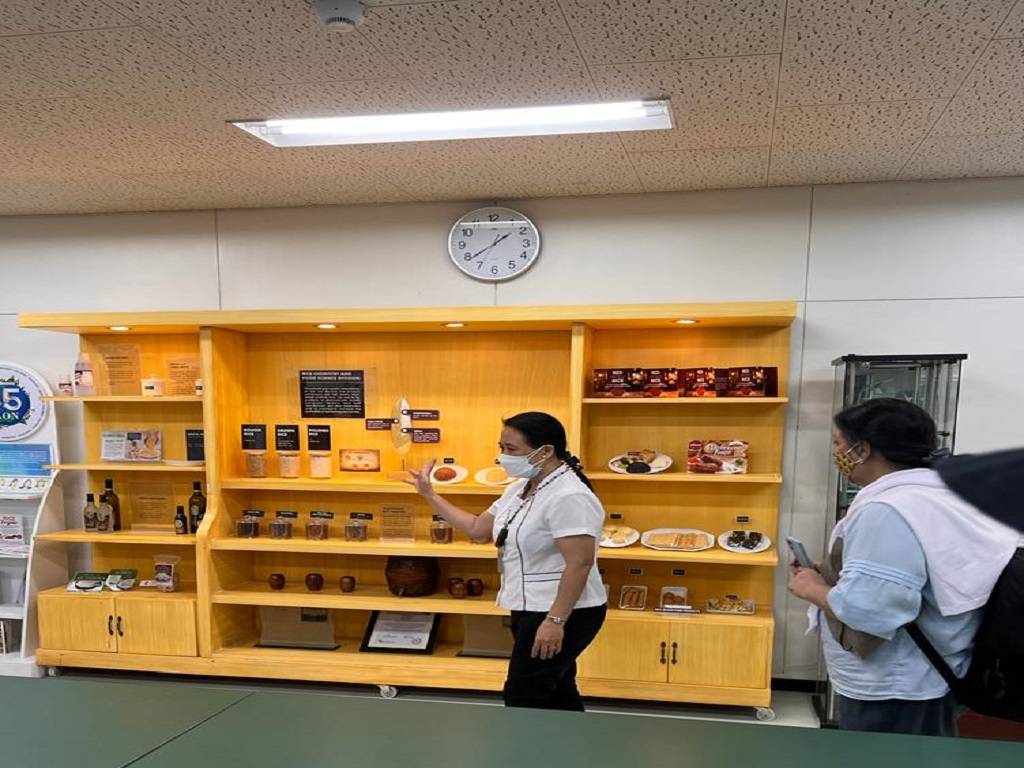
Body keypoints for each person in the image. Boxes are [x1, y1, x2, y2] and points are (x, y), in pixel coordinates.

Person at [788, 399, 1018, 736]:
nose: (835, 452)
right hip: (936, 669)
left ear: (862, 449)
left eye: (838, 443)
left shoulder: (888, 510)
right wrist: (834, 574)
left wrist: (812, 588)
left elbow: (872, 610)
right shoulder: (940, 494)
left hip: (896, 684)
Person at [405, 411, 607, 710]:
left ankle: (524, 754)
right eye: (501, 448)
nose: (502, 457)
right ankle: (571, 752)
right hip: (529, 606)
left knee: (523, 694)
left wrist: (555, 621)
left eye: (511, 449)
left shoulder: (569, 496)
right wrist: (430, 495)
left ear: (546, 451)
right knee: (556, 689)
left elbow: (580, 563)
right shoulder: (520, 488)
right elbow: (478, 529)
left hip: (564, 612)